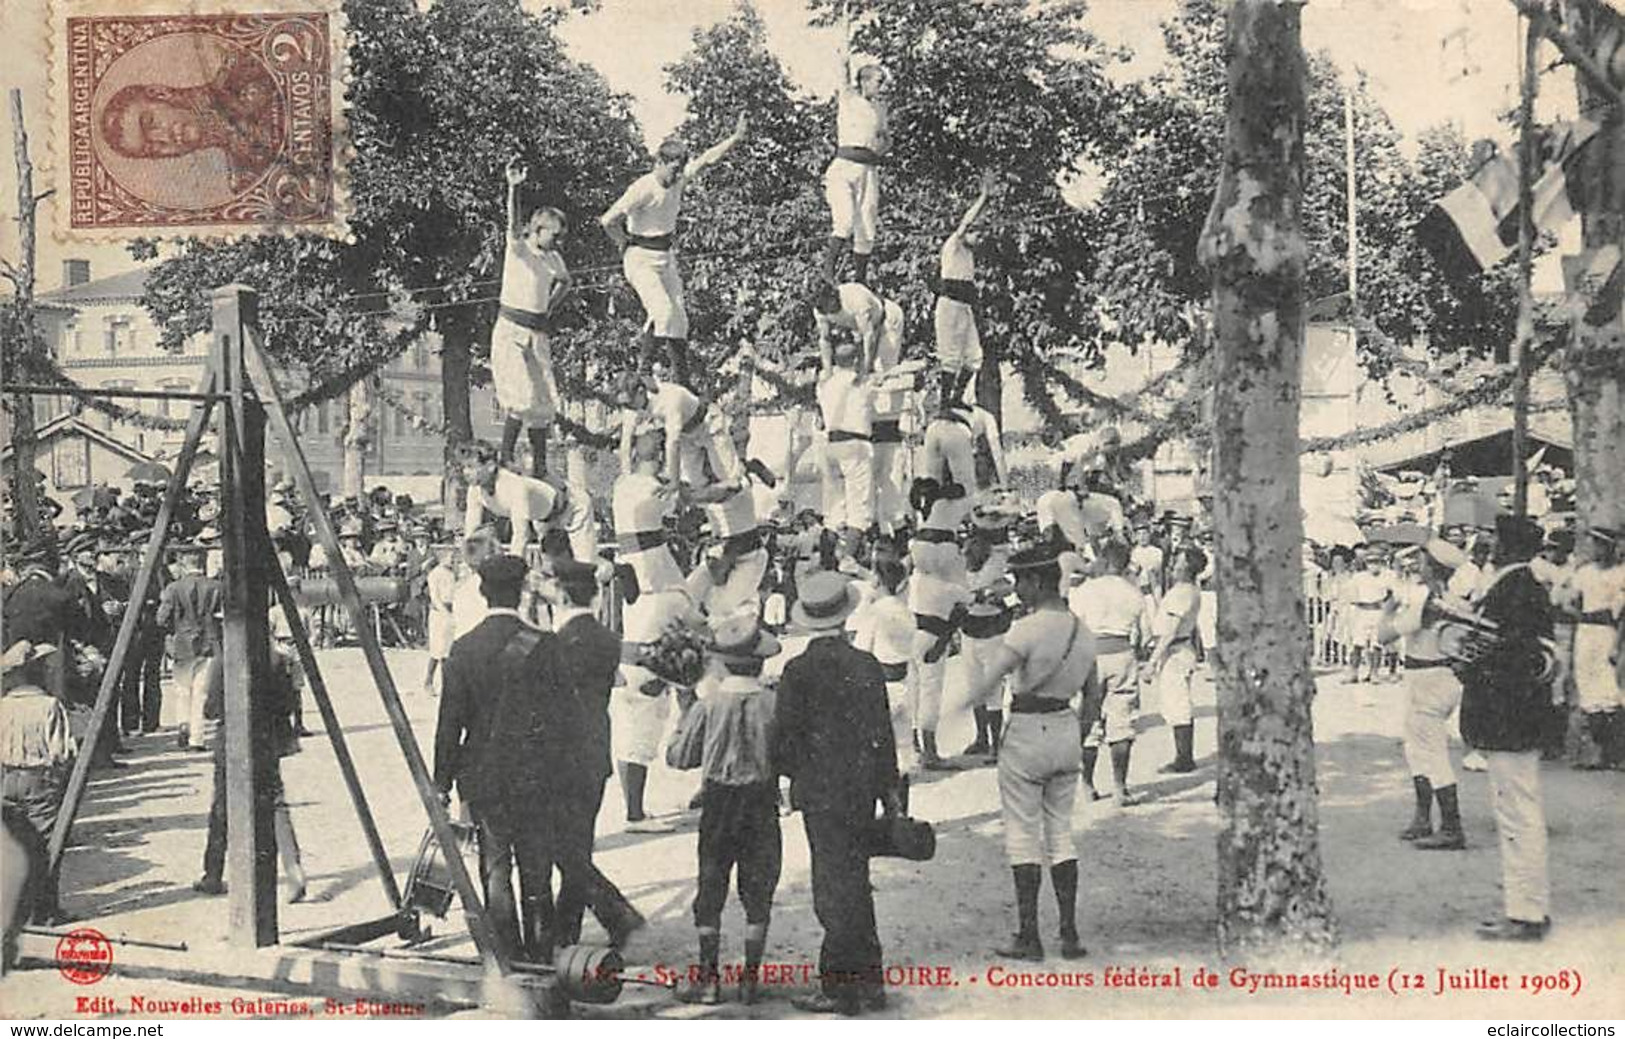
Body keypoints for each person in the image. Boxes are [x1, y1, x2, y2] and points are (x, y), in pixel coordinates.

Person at [775, 571, 900, 1015]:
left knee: (831, 888)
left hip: (820, 792)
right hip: (861, 789)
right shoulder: (866, 665)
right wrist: (891, 794)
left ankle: (839, 987)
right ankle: (871, 980)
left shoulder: (797, 671)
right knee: (855, 881)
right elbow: (883, 736)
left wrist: (790, 780)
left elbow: (783, 742)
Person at [964, 543, 1095, 961]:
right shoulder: (1082, 629)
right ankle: (1070, 933)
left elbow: (990, 681)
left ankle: (1028, 935)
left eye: (1020, 580)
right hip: (1066, 728)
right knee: (1061, 833)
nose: (1017, 589)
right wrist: (1079, 731)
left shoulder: (1026, 629)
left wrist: (957, 705)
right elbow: (1094, 695)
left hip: (1026, 731)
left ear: (1037, 581)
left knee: (1022, 834)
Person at [433, 555, 566, 962]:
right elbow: (563, 719)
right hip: (536, 774)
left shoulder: (464, 648)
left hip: (483, 776)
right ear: (523, 591)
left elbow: (449, 724)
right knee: (537, 868)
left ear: (483, 592)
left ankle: (506, 956)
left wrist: (441, 782)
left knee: (494, 867)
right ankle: (541, 956)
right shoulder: (544, 644)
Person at [667, 614, 783, 1005]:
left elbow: (678, 756)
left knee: (711, 886)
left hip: (718, 801)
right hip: (761, 801)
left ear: (721, 661)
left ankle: (709, 977)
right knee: (758, 888)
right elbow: (791, 755)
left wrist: (685, 710)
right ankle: (750, 979)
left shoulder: (709, 704)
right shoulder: (773, 702)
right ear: (760, 661)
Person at [1457, 516, 1556, 941]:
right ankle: (1527, 908)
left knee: (1517, 816)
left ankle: (1526, 914)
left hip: (1508, 718)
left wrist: (1468, 665)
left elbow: (1511, 656)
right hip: (1515, 718)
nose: (1489, 543)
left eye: (1495, 537)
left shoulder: (1515, 589)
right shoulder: (1520, 585)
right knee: (1519, 813)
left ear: (1509, 545)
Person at [601, 115, 748, 385]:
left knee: (679, 321)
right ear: (659, 162)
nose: (677, 175)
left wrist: (735, 138)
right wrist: (623, 243)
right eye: (672, 169)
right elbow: (608, 220)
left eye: (680, 169)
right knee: (662, 312)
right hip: (640, 258)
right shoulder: (643, 188)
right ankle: (643, 372)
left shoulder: (678, 179)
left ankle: (682, 380)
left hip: (665, 257)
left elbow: (706, 159)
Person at [611, 416, 695, 832]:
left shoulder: (623, 485)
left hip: (639, 588)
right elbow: (678, 490)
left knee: (636, 714)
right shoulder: (655, 490)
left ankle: (634, 809)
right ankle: (635, 813)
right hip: (653, 584)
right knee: (647, 704)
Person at [193, 638, 308, 902]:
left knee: (222, 806)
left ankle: (212, 874)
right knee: (277, 804)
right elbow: (288, 703)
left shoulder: (223, 660)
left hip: (231, 742)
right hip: (267, 741)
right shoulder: (278, 658)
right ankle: (294, 870)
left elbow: (211, 709)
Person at [1378, 540, 1470, 850]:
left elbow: (1385, 635)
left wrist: (1387, 610)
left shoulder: (1423, 598)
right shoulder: (1456, 599)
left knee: (1429, 751)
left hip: (1425, 677)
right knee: (1416, 748)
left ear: (1432, 566)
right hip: (1444, 676)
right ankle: (1423, 818)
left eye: (1422, 560)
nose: (1419, 564)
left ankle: (1451, 826)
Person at [493, 159, 571, 476]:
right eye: (554, 235)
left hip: (537, 332)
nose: (559, 241)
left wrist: (549, 307)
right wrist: (514, 188)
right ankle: (506, 455)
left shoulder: (553, 258)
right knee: (521, 397)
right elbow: (512, 224)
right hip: (511, 330)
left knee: (543, 403)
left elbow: (566, 281)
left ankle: (539, 464)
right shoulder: (519, 249)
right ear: (537, 230)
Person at [1, 641, 75, 925]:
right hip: (39, 780)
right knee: (44, 844)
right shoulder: (49, 706)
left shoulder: (2, 706)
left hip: (6, 778)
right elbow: (61, 752)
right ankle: (43, 910)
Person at [1070, 539, 1146, 805]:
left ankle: (1088, 785)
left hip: (1090, 653)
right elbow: (1142, 634)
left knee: (1088, 720)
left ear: (1104, 560)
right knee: (1121, 720)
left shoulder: (1085, 591)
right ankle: (1120, 788)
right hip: (1122, 652)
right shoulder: (1133, 593)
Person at [848, 555, 921, 801]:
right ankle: (901, 813)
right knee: (902, 751)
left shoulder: (875, 613)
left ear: (878, 581)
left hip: (879, 686)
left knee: (872, 750)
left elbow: (860, 651)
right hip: (903, 682)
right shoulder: (906, 612)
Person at [821, 41, 890, 285]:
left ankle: (860, 280)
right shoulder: (849, 98)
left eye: (883, 83)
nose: (881, 87)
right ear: (864, 81)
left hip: (869, 169)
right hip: (844, 167)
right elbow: (843, 68)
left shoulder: (880, 108)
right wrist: (845, 27)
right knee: (845, 220)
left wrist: (881, 147)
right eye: (877, 82)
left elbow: (886, 139)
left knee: (867, 227)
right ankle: (828, 272)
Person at [460, 440, 596, 562]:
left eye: (471, 467)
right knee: (554, 569)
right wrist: (467, 562)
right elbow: (470, 530)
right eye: (464, 467)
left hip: (573, 506)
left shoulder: (515, 486)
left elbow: (521, 533)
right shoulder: (474, 490)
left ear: (490, 466)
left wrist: (512, 572)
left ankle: (611, 569)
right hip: (544, 519)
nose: (465, 472)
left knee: (584, 563)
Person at [934, 173, 995, 404]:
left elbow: (974, 225)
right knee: (950, 358)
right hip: (949, 305)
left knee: (974, 358)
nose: (980, 238)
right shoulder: (954, 245)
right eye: (977, 233)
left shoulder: (968, 256)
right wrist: (984, 198)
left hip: (964, 308)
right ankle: (944, 402)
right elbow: (967, 222)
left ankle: (956, 398)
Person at [815, 319, 876, 537]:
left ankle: (828, 556)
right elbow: (866, 369)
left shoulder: (825, 385)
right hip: (854, 445)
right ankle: (849, 557)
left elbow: (827, 365)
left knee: (834, 508)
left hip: (831, 445)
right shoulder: (862, 383)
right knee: (859, 509)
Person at [156, 548, 221, 752]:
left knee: (182, 690)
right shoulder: (216, 586)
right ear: (203, 563)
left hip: (182, 643)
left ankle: (183, 724)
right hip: (209, 642)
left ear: (184, 564)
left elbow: (161, 619)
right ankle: (197, 738)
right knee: (201, 692)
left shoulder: (173, 588)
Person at [1569, 526, 1623, 769]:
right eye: (1594, 544)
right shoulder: (1585, 573)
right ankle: (1596, 752)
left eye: (1601, 544)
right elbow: (1572, 602)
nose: (1597, 549)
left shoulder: (1621, 573)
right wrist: (1581, 616)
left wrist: (1617, 643)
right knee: (1588, 688)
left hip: (1608, 633)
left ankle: (1616, 753)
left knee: (1610, 690)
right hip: (1586, 631)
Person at [1149, 546, 1204, 774]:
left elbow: (1170, 630)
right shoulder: (1182, 590)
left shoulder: (1183, 592)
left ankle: (1184, 758)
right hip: (1175, 649)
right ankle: (1182, 755)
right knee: (1173, 703)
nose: (1173, 565)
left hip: (1175, 650)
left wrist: (1152, 661)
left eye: (1178, 562)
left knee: (1178, 703)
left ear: (1187, 567)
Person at [423, 544, 458, 697]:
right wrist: (444, 613)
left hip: (452, 611)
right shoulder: (434, 574)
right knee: (438, 649)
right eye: (450, 557)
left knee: (449, 651)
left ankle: (447, 683)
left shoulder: (452, 574)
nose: (453, 560)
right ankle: (428, 680)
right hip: (439, 614)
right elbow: (435, 597)